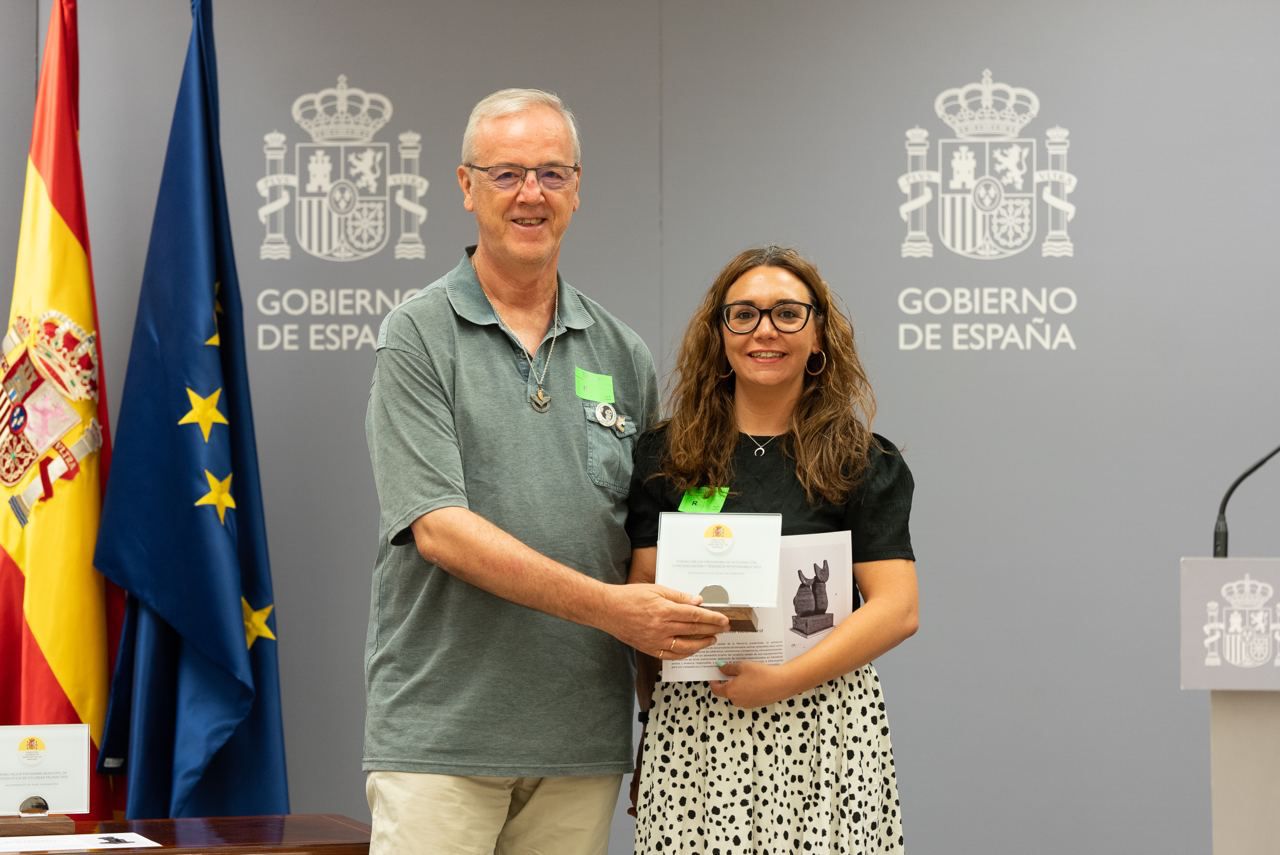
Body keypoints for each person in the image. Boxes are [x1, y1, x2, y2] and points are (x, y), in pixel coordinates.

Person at [363, 88, 729, 855]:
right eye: (507, 174)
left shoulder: (621, 351)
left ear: (577, 188)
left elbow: (640, 550)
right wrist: (614, 609)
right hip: (444, 740)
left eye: (551, 173)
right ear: (466, 187)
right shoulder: (419, 334)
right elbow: (440, 530)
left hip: (581, 743)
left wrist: (655, 722)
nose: (531, 193)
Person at [627, 245, 919, 854]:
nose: (765, 330)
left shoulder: (862, 461)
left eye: (788, 313)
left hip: (824, 727)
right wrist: (650, 721)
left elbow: (897, 609)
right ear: (720, 335)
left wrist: (783, 681)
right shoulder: (665, 456)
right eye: (744, 314)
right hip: (696, 727)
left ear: (819, 336)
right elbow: (641, 599)